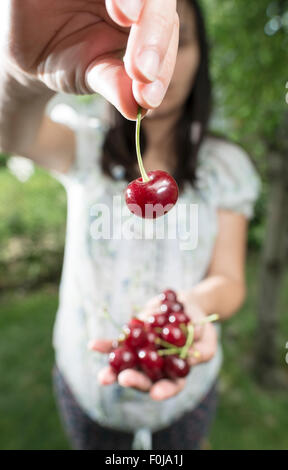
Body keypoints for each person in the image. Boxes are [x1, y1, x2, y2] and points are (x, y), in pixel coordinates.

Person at [0, 0, 260, 450]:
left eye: (182, 43)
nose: (162, 60)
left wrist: (190, 305)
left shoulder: (226, 167)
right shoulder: (85, 147)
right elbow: (12, 135)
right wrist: (21, 77)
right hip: (87, 386)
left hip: (183, 390)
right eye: (149, 44)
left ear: (201, 60)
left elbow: (230, 279)